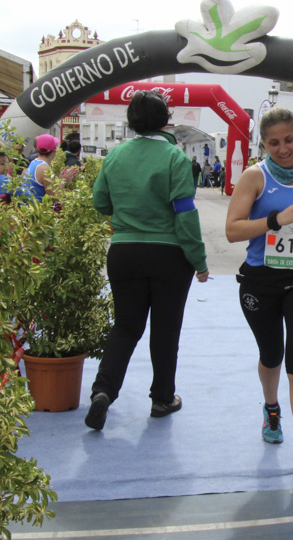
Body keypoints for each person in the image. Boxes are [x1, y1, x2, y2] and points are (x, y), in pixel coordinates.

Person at [84, 90, 209, 432]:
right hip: (168, 255)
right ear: (165, 119)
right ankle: (162, 398)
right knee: (165, 330)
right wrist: (199, 260)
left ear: (131, 121)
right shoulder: (175, 157)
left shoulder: (115, 155)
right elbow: (185, 214)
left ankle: (103, 391)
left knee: (125, 327)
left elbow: (100, 203)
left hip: (124, 251)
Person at [225, 106, 293, 478]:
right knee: (271, 356)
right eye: (274, 143)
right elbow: (233, 230)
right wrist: (276, 219)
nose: (283, 148)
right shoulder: (255, 177)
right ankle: (272, 409)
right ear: (264, 144)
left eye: (289, 140)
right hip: (261, 281)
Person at [23, 134, 59, 201]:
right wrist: (63, 180)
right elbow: (54, 198)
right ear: (54, 149)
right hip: (38, 209)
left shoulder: (34, 162)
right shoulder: (45, 169)